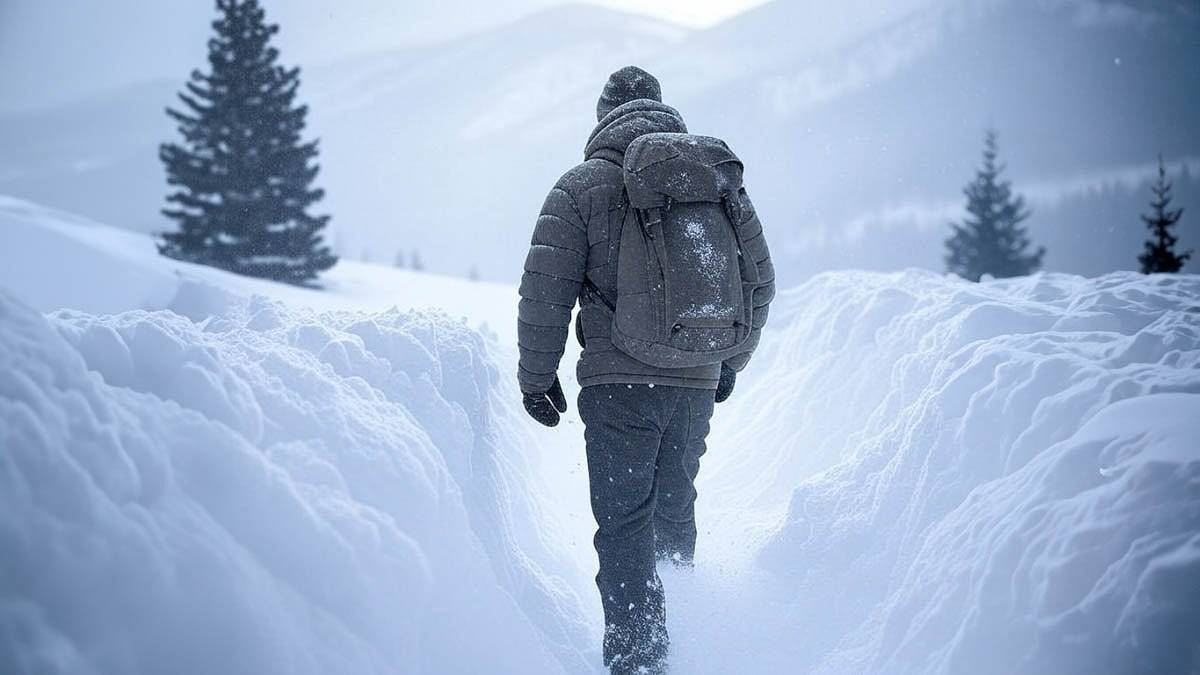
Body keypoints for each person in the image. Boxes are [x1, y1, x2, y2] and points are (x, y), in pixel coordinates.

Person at [517, 65, 774, 674]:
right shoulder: (712, 184)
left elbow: (545, 290)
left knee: (625, 528)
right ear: (662, 110)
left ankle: (640, 664)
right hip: (695, 380)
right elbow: (760, 281)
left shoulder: (580, 188)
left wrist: (536, 377)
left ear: (604, 115)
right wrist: (730, 358)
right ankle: (689, 632)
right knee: (673, 510)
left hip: (618, 385)